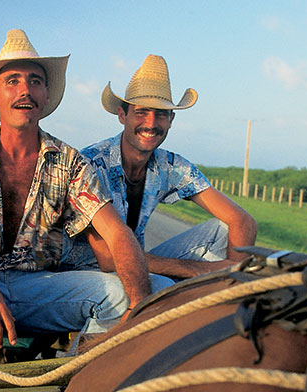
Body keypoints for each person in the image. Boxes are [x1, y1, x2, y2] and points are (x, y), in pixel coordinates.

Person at [0, 29, 151, 369]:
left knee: (119, 295)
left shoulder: (70, 162)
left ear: (46, 95)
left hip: (40, 286)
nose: (25, 91)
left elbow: (116, 233)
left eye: (35, 81)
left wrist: (139, 306)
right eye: (12, 81)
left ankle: (73, 383)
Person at [64, 54, 257, 285]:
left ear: (171, 119)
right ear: (122, 115)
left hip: (133, 264)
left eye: (161, 114)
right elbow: (107, 258)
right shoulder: (92, 163)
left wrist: (232, 274)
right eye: (142, 112)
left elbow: (242, 220)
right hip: (83, 273)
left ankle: (228, 295)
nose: (152, 123)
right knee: (160, 285)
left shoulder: (170, 165)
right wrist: (198, 269)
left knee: (222, 230)